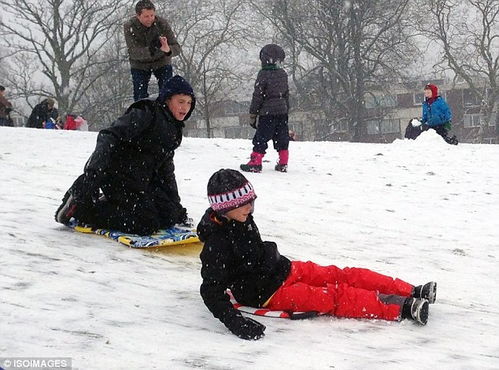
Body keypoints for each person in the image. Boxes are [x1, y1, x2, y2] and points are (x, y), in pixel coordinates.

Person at [198, 169, 437, 340]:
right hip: (269, 293)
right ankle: (404, 307)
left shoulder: (241, 217)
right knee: (334, 296)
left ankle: (412, 290)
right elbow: (210, 289)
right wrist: (235, 322)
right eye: (244, 204)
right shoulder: (215, 246)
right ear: (224, 208)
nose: (250, 208)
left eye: (251, 201)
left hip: (284, 268)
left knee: (341, 274)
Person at [55, 75, 196, 235]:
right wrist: (93, 173)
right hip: (117, 176)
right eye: (181, 102)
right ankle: (84, 210)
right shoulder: (146, 112)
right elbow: (109, 136)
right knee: (146, 223)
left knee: (169, 216)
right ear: (168, 99)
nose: (185, 108)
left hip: (141, 180)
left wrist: (175, 205)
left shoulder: (174, 128)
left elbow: (165, 169)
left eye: (189, 103)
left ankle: (114, 204)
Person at [240, 44, 290, 173]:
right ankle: (283, 162)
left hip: (267, 112)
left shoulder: (263, 74)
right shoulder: (283, 74)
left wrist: (253, 114)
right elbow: (286, 94)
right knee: (282, 137)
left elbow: (258, 96)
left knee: (261, 138)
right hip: (282, 111)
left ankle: (255, 162)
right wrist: (286, 109)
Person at [124, 0, 181, 101]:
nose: (150, 19)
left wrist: (167, 50)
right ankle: (141, 114)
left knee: (167, 92)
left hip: (161, 61)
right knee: (139, 95)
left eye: (152, 15)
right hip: (139, 64)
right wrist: (151, 49)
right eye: (146, 16)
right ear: (138, 16)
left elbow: (177, 47)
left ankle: (165, 113)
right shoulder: (129, 26)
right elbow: (133, 52)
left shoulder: (162, 24)